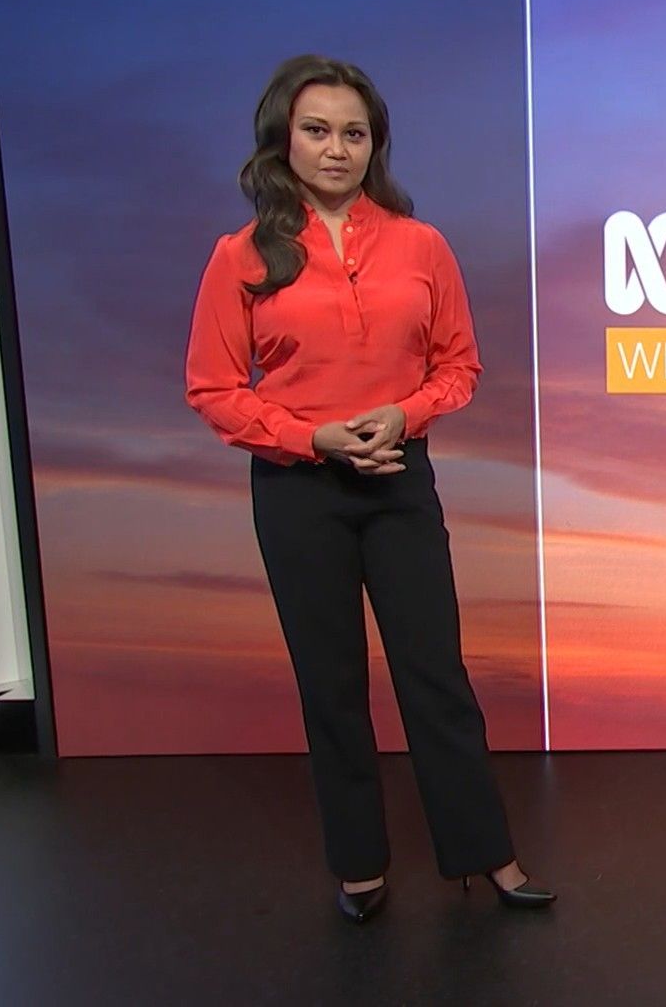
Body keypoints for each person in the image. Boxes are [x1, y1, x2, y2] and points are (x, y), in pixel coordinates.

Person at [185, 54, 554, 923]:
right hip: (296, 489)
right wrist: (309, 437)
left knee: (436, 676)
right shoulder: (240, 257)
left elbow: (459, 367)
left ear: (374, 145)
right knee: (332, 685)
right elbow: (214, 388)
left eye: (354, 133)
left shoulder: (422, 246)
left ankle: (487, 856)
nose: (337, 149)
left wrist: (404, 414)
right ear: (283, 139)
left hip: (398, 480)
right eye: (317, 130)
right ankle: (358, 867)